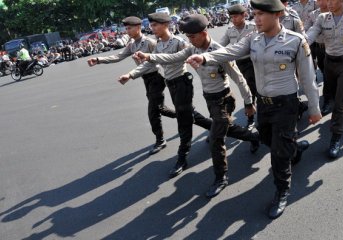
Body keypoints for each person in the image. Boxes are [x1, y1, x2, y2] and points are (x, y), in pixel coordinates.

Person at [186, 0, 322, 219]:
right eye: (255, 13)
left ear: (278, 14)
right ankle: (294, 150)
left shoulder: (296, 41)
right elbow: (231, 51)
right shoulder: (253, 39)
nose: (256, 19)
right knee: (268, 138)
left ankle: (281, 191)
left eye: (261, 14)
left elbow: (308, 77)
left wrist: (314, 108)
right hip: (264, 105)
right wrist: (205, 57)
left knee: (278, 154)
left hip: (286, 105)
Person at [119, 12, 259, 179]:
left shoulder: (219, 52)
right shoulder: (192, 49)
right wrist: (148, 56)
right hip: (209, 98)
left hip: (223, 98)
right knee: (222, 128)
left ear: (204, 34)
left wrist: (249, 103)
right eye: (188, 37)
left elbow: (239, 78)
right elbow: (173, 57)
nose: (190, 40)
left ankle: (218, 177)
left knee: (214, 138)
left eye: (192, 36)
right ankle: (254, 137)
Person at [88, 16, 176, 155]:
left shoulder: (150, 42)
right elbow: (118, 56)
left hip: (156, 78)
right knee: (162, 109)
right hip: (146, 79)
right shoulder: (132, 44)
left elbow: (159, 60)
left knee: (153, 111)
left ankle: (160, 140)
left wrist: (132, 73)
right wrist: (98, 59)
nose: (127, 31)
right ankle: (186, 116)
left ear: (138, 27)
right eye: (126, 28)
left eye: (129, 28)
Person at [306, 0, 343, 159]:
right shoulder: (322, 18)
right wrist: (299, 44)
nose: (328, 3)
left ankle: (336, 137)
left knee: (338, 104)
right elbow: (311, 34)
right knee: (337, 94)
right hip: (329, 63)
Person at [220, 4, 258, 129]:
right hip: (239, 64)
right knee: (249, 89)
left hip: (253, 62)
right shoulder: (230, 30)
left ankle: (252, 118)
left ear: (244, 15)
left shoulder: (253, 27)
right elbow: (221, 45)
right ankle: (252, 116)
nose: (233, 19)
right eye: (231, 17)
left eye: (236, 16)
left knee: (251, 89)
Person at [304, 0, 330, 115]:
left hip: (335, 49)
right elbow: (307, 29)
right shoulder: (313, 14)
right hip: (320, 48)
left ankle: (328, 101)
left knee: (329, 76)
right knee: (325, 73)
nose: (319, 1)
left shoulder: (335, 11)